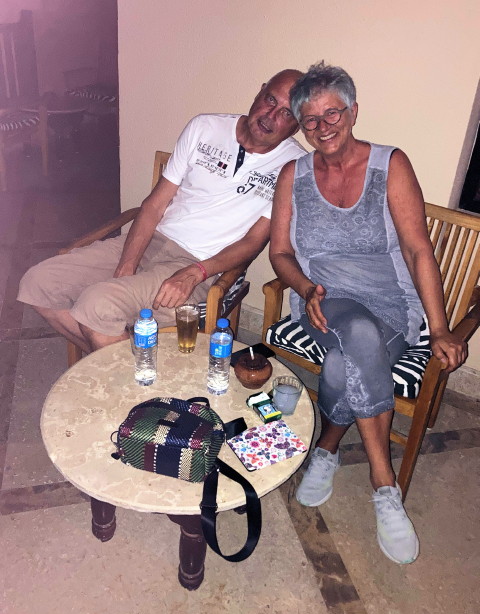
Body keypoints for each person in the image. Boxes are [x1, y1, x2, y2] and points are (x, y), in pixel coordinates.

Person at [269, 62, 467, 564]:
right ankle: (385, 483)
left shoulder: (389, 165)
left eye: (332, 113)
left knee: (345, 360)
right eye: (310, 120)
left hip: (392, 305)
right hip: (323, 301)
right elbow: (280, 253)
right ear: (302, 126)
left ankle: (328, 448)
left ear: (353, 111)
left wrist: (440, 328)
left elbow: (418, 250)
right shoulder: (293, 176)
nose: (323, 127)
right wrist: (306, 289)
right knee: (355, 330)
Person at [18, 69, 305, 353]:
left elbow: (253, 242)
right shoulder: (205, 127)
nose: (271, 115)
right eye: (271, 99)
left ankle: (124, 372)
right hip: (151, 239)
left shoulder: (294, 167)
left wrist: (196, 272)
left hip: (200, 264)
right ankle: (125, 368)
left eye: (286, 113)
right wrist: (127, 264)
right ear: (260, 91)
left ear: (296, 126)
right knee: (39, 283)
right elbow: (154, 205)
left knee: (97, 306)